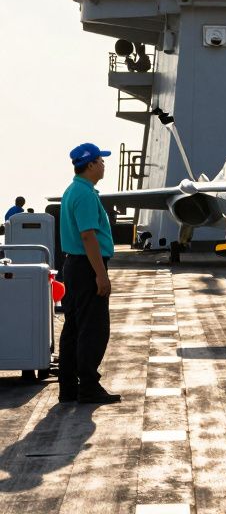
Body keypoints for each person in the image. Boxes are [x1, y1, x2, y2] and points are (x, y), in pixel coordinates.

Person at [58, 143, 120, 404]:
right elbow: (87, 235)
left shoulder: (74, 190)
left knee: (73, 327)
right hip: (87, 266)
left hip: (74, 266)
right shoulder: (84, 194)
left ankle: (69, 387)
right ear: (91, 164)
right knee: (93, 328)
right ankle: (89, 387)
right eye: (101, 161)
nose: (104, 165)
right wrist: (101, 275)